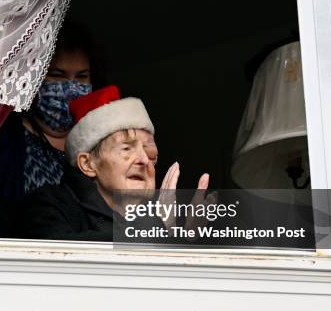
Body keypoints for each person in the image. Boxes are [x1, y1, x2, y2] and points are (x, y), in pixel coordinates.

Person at [17, 85, 210, 241]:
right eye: (127, 149)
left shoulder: (156, 214)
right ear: (88, 164)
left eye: (150, 153)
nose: (144, 160)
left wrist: (185, 244)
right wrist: (154, 228)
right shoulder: (50, 205)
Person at [0, 21, 105, 202]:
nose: (71, 88)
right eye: (57, 75)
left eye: (81, 77)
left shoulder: (102, 141)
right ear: (32, 77)